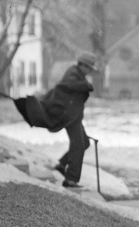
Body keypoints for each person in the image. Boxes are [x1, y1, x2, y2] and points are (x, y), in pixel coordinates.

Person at [14, 52, 98, 187]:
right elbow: (68, 84)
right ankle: (71, 179)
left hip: (72, 116)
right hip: (69, 117)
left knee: (85, 142)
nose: (89, 71)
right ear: (82, 65)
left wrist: (85, 84)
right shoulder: (73, 73)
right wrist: (86, 85)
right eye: (89, 68)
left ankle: (62, 165)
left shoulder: (78, 74)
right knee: (78, 145)